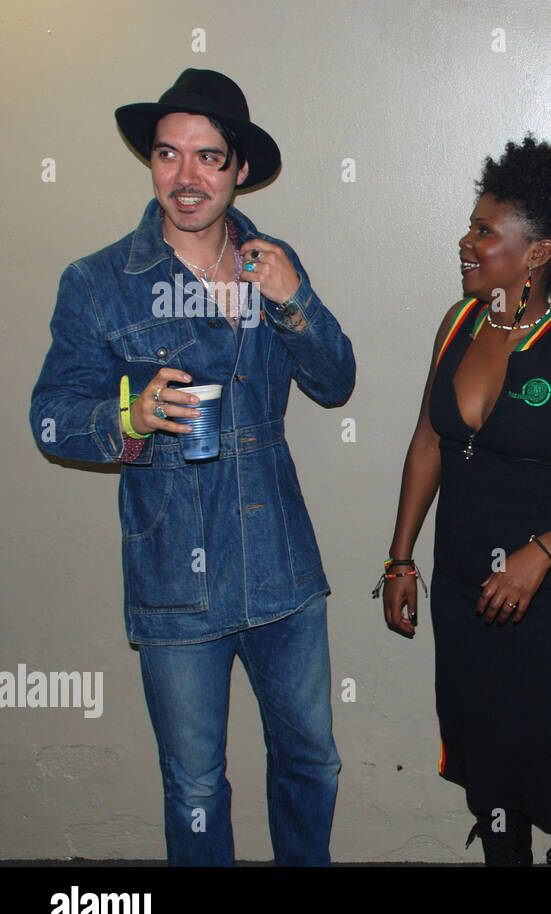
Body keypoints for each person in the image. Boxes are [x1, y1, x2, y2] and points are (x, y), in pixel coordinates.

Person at [29, 69, 355, 865]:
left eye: (209, 158)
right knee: (197, 788)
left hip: (281, 565)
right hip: (177, 573)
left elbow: (335, 380)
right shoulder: (99, 282)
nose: (187, 178)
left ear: (239, 168)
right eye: (169, 155)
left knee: (312, 760)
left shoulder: (271, 261)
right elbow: (51, 418)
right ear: (152, 162)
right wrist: (127, 419)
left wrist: (293, 300)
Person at [381, 137, 551, 866]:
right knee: (489, 776)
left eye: (484, 231)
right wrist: (400, 557)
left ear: (537, 253)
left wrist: (541, 553)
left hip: (550, 602)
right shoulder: (457, 325)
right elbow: (428, 443)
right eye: (471, 227)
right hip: (463, 591)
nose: (466, 242)